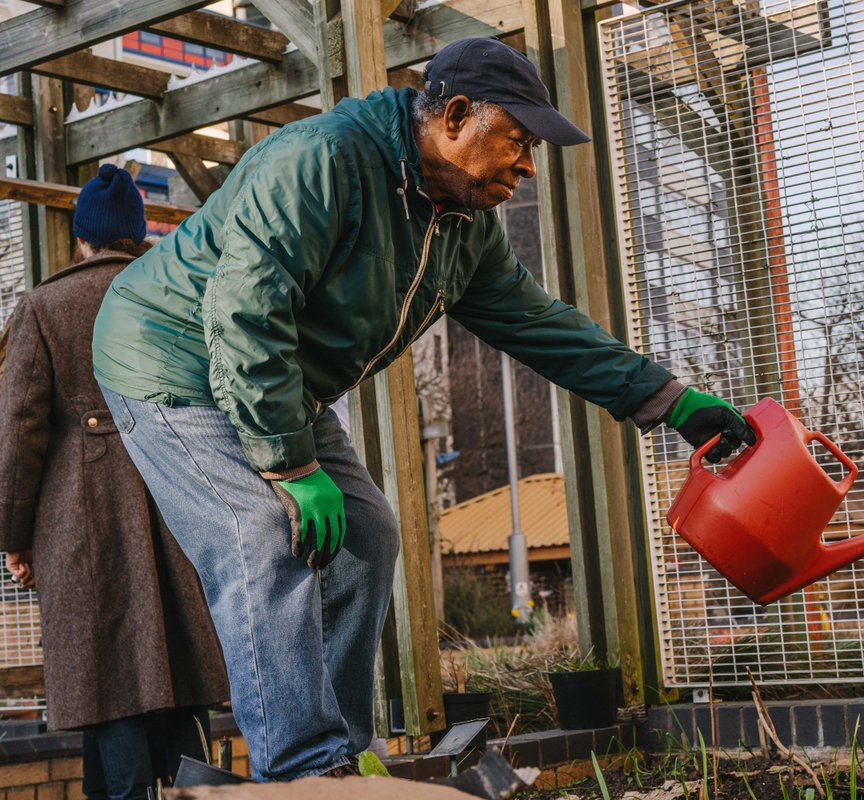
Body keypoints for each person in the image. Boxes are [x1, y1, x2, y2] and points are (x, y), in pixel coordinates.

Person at [91, 37, 754, 780]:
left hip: (275, 376)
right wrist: (290, 461)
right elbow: (244, 311)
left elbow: (539, 323)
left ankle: (340, 750)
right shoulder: (322, 161)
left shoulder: (462, 227)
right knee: (260, 534)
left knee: (365, 533)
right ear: (457, 116)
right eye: (519, 140)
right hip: (171, 357)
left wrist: (668, 400)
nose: (529, 164)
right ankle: (305, 768)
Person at [0, 164, 230, 799]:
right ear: (138, 236)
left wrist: (15, 537)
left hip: (80, 520)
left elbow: (20, 433)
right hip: (179, 503)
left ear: (81, 239)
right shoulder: (180, 295)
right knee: (178, 673)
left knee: (108, 675)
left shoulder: (43, 307)